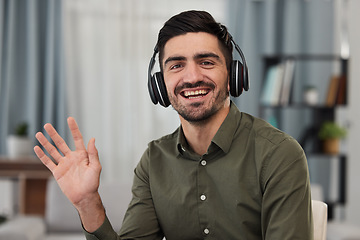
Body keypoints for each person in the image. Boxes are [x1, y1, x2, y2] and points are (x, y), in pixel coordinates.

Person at [34, 10, 313, 240]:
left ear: (233, 76)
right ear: (160, 85)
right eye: (176, 65)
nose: (191, 77)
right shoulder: (154, 161)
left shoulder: (279, 155)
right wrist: (87, 203)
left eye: (206, 62)